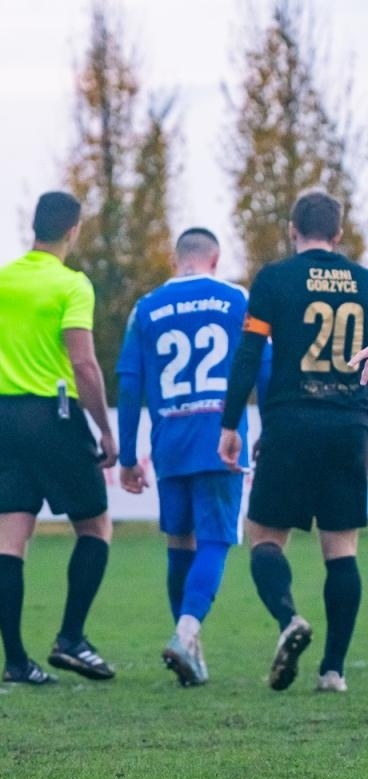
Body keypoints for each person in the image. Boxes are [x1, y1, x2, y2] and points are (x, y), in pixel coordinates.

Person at [218, 190, 368, 693]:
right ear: (340, 234)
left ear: (291, 229)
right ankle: (333, 671)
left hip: (290, 424)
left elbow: (248, 354)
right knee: (342, 549)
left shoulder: (275, 280)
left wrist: (230, 424)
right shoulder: (365, 284)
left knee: (263, 537)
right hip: (350, 427)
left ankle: (289, 619)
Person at [0, 191, 117, 685]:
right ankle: (71, 638)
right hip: (54, 414)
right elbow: (82, 362)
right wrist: (104, 427)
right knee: (96, 528)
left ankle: (16, 661)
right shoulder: (71, 285)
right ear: (74, 230)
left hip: (5, 412)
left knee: (10, 539)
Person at [117, 228, 266, 686]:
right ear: (215, 259)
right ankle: (185, 633)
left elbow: (128, 383)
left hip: (170, 440)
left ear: (176, 259)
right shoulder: (237, 299)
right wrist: (272, 429)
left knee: (179, 541)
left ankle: (190, 655)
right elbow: (264, 367)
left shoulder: (146, 308)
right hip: (221, 437)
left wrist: (127, 456)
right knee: (216, 540)